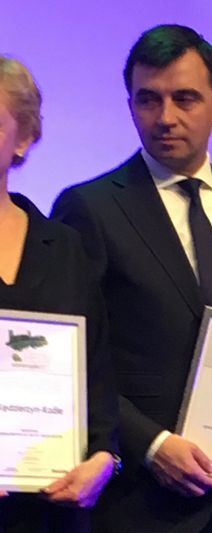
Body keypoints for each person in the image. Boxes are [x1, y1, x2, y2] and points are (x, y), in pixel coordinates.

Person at [51, 25, 212, 533]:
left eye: (185, 98)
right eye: (148, 99)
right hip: (137, 503)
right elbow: (73, 360)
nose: (165, 117)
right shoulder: (89, 208)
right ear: (130, 106)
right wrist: (150, 445)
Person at [0, 56, 119, 532]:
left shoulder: (65, 246)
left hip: (52, 513)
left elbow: (98, 369)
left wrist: (104, 457)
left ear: (24, 138)